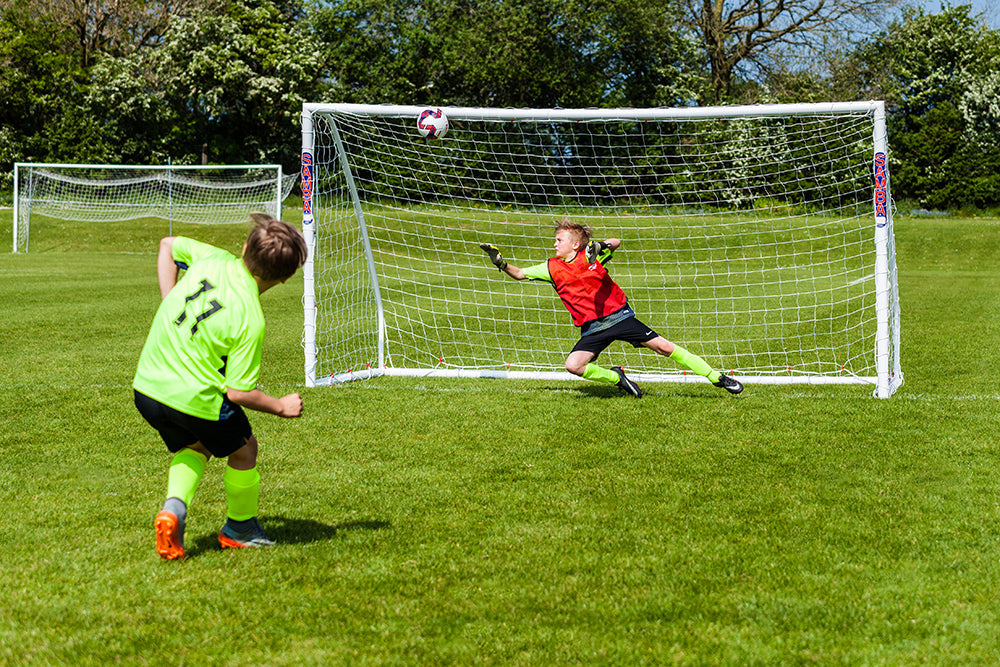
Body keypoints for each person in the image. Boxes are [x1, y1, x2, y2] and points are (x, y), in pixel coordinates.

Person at [133, 213, 308, 560]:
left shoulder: (213, 258)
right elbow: (238, 393)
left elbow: (168, 246)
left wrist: (169, 298)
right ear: (287, 278)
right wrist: (280, 405)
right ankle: (240, 529)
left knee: (197, 446)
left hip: (147, 388)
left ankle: (173, 511)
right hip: (195, 399)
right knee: (245, 450)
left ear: (244, 248)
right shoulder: (250, 317)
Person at [479, 216, 743, 398]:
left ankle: (717, 377)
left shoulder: (591, 254)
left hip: (619, 317)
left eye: (559, 239)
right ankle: (618, 378)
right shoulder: (551, 267)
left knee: (664, 347)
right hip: (593, 327)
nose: (554, 243)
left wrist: (600, 246)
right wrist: (500, 262)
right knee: (574, 365)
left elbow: (616, 241)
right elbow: (520, 274)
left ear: (575, 243)